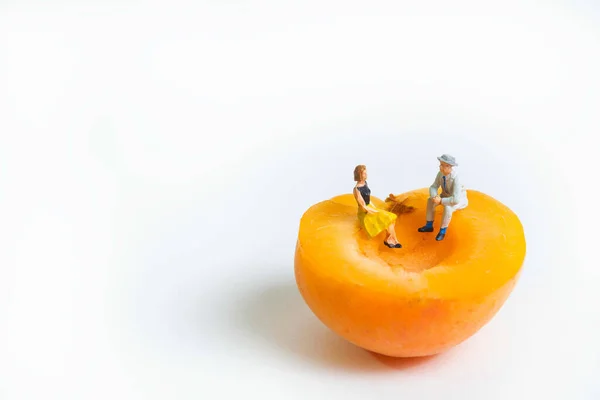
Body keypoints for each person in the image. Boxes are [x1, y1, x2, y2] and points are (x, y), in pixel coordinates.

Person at [417, 154, 468, 241]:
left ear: (449, 166)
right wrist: (434, 196)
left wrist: (440, 201)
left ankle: (442, 231)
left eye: (442, 165)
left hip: (458, 199)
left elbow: (455, 199)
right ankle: (429, 225)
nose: (440, 167)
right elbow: (434, 186)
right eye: (440, 164)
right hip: (445, 195)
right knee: (430, 200)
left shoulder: (456, 178)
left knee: (448, 208)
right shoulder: (440, 174)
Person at [353, 165, 402, 248]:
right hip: (364, 212)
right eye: (364, 173)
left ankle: (391, 239)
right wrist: (373, 211)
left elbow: (368, 199)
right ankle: (390, 240)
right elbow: (362, 205)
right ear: (359, 174)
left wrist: (374, 208)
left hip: (370, 207)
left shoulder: (365, 183)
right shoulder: (356, 189)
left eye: (366, 173)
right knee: (389, 219)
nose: (366, 175)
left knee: (391, 218)